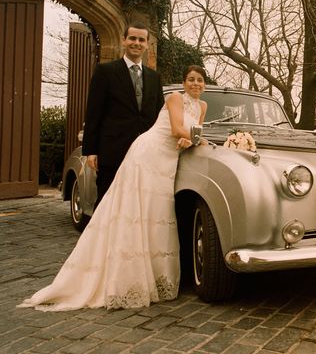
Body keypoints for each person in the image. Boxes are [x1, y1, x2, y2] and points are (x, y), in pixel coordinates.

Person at [18, 66, 208, 311]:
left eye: (199, 80)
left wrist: (190, 139)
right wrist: (193, 137)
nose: (195, 84)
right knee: (134, 212)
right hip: (149, 154)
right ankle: (126, 277)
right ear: (184, 82)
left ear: (203, 84)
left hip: (168, 161)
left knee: (155, 214)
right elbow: (176, 129)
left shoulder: (202, 107)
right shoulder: (174, 98)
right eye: (191, 79)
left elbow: (193, 132)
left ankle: (152, 275)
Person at [82, 22, 165, 209]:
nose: (137, 43)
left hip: (145, 152)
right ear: (124, 41)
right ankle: (101, 238)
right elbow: (94, 111)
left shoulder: (154, 77)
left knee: (138, 203)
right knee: (107, 201)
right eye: (132, 38)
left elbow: (160, 117)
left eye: (141, 40)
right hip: (112, 150)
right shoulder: (105, 72)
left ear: (147, 44)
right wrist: (91, 151)